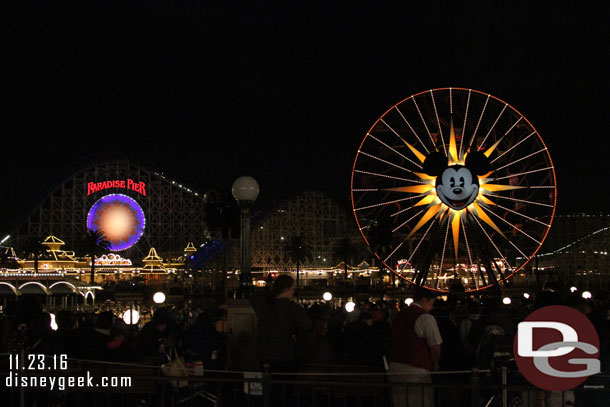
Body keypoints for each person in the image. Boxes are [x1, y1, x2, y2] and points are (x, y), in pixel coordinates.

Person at [387, 288, 442, 407]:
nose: (432, 307)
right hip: (416, 367)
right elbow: (436, 347)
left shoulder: (398, 315)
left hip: (395, 366)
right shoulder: (426, 318)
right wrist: (435, 363)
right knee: (420, 401)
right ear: (423, 300)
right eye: (431, 303)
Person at [250, 274, 311, 371]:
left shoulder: (265, 307)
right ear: (286, 289)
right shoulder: (293, 308)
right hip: (286, 355)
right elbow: (306, 325)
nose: (293, 291)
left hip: (265, 354)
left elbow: (255, 297)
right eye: (292, 288)